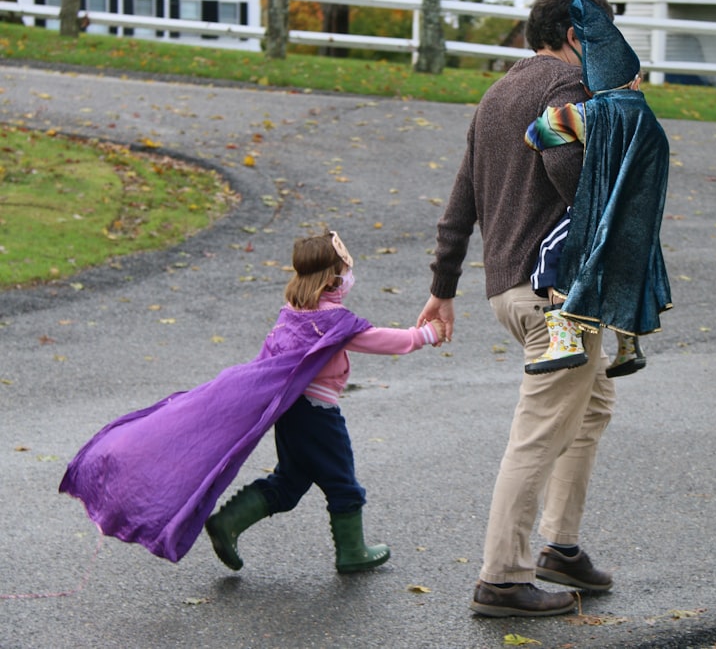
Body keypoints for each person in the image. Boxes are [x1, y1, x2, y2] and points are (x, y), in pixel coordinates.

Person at [60, 231, 445, 574]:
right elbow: (383, 340)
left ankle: (227, 522)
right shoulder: (334, 321)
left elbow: (268, 362)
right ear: (332, 279)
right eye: (346, 270)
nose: (349, 277)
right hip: (318, 415)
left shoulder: (293, 314)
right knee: (343, 484)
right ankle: (352, 552)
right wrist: (425, 334)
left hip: (294, 413)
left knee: (291, 482)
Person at [416, 0, 618, 618]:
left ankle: (559, 545)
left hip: (509, 290)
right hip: (556, 297)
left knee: (592, 403)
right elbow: (570, 170)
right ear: (574, 36)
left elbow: (460, 201)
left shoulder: (496, 93)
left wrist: (442, 290)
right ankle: (502, 578)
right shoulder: (569, 90)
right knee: (536, 435)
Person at [523, 0, 672, 378]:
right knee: (628, 274)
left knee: (554, 256)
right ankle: (627, 347)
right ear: (633, 78)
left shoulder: (594, 114)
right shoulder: (650, 124)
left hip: (597, 214)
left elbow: (537, 135)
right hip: (638, 223)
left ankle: (564, 341)